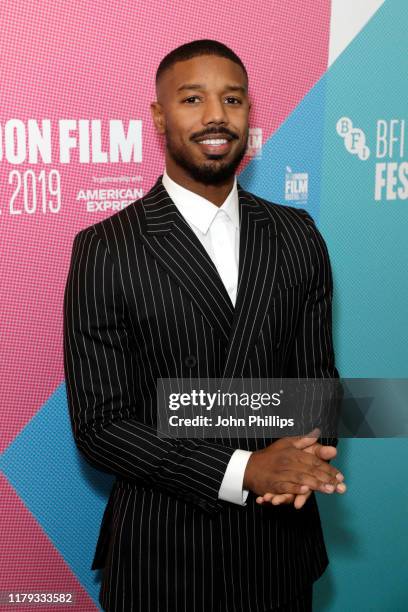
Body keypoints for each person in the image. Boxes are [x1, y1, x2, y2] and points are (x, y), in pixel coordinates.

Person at [63, 39, 346, 612]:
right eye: (193, 99)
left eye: (233, 99)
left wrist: (302, 459)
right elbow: (100, 425)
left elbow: (318, 378)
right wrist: (246, 468)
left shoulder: (298, 236)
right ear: (160, 116)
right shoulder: (106, 249)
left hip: (280, 553)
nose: (217, 116)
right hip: (165, 557)